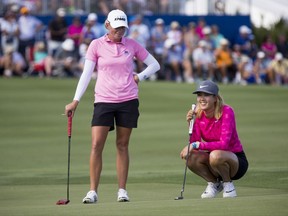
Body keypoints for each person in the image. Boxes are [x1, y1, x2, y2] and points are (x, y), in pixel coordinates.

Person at [64, 9, 160, 204]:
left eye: (123, 28)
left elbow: (154, 64)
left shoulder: (131, 44)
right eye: (117, 28)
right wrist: (76, 100)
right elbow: (86, 74)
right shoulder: (96, 45)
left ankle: (122, 191)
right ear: (107, 25)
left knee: (122, 145)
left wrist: (139, 77)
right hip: (104, 100)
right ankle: (92, 191)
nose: (120, 31)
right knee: (96, 144)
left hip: (128, 99)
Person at [180, 80, 248, 198]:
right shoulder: (199, 115)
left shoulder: (227, 111)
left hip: (235, 161)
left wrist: (196, 145)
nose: (202, 98)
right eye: (199, 95)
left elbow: (224, 145)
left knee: (215, 155)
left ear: (215, 98)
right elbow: (194, 143)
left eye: (206, 95)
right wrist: (191, 123)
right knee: (188, 155)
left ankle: (228, 185)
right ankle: (214, 183)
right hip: (214, 160)